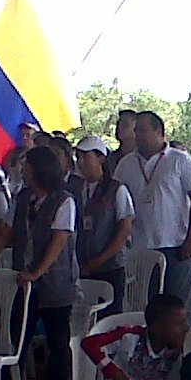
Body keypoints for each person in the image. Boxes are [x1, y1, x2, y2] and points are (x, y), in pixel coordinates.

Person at [4, 147, 80, 380]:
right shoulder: (23, 198)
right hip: (24, 281)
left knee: (57, 342)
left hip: (56, 282)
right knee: (16, 337)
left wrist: (36, 273)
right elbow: (8, 231)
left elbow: (59, 241)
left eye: (26, 165)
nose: (22, 170)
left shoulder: (64, 201)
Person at [112, 111, 191, 310]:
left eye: (142, 130)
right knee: (146, 306)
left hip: (177, 246)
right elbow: (116, 202)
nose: (137, 135)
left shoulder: (180, 160)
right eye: (136, 130)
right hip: (140, 248)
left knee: (181, 306)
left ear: (159, 132)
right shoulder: (126, 164)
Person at [72, 136, 134, 320]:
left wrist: (100, 260)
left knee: (109, 318)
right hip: (82, 265)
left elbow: (124, 229)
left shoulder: (116, 189)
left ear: (100, 158)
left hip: (110, 266)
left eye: (86, 157)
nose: (81, 162)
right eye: (78, 157)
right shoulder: (75, 189)